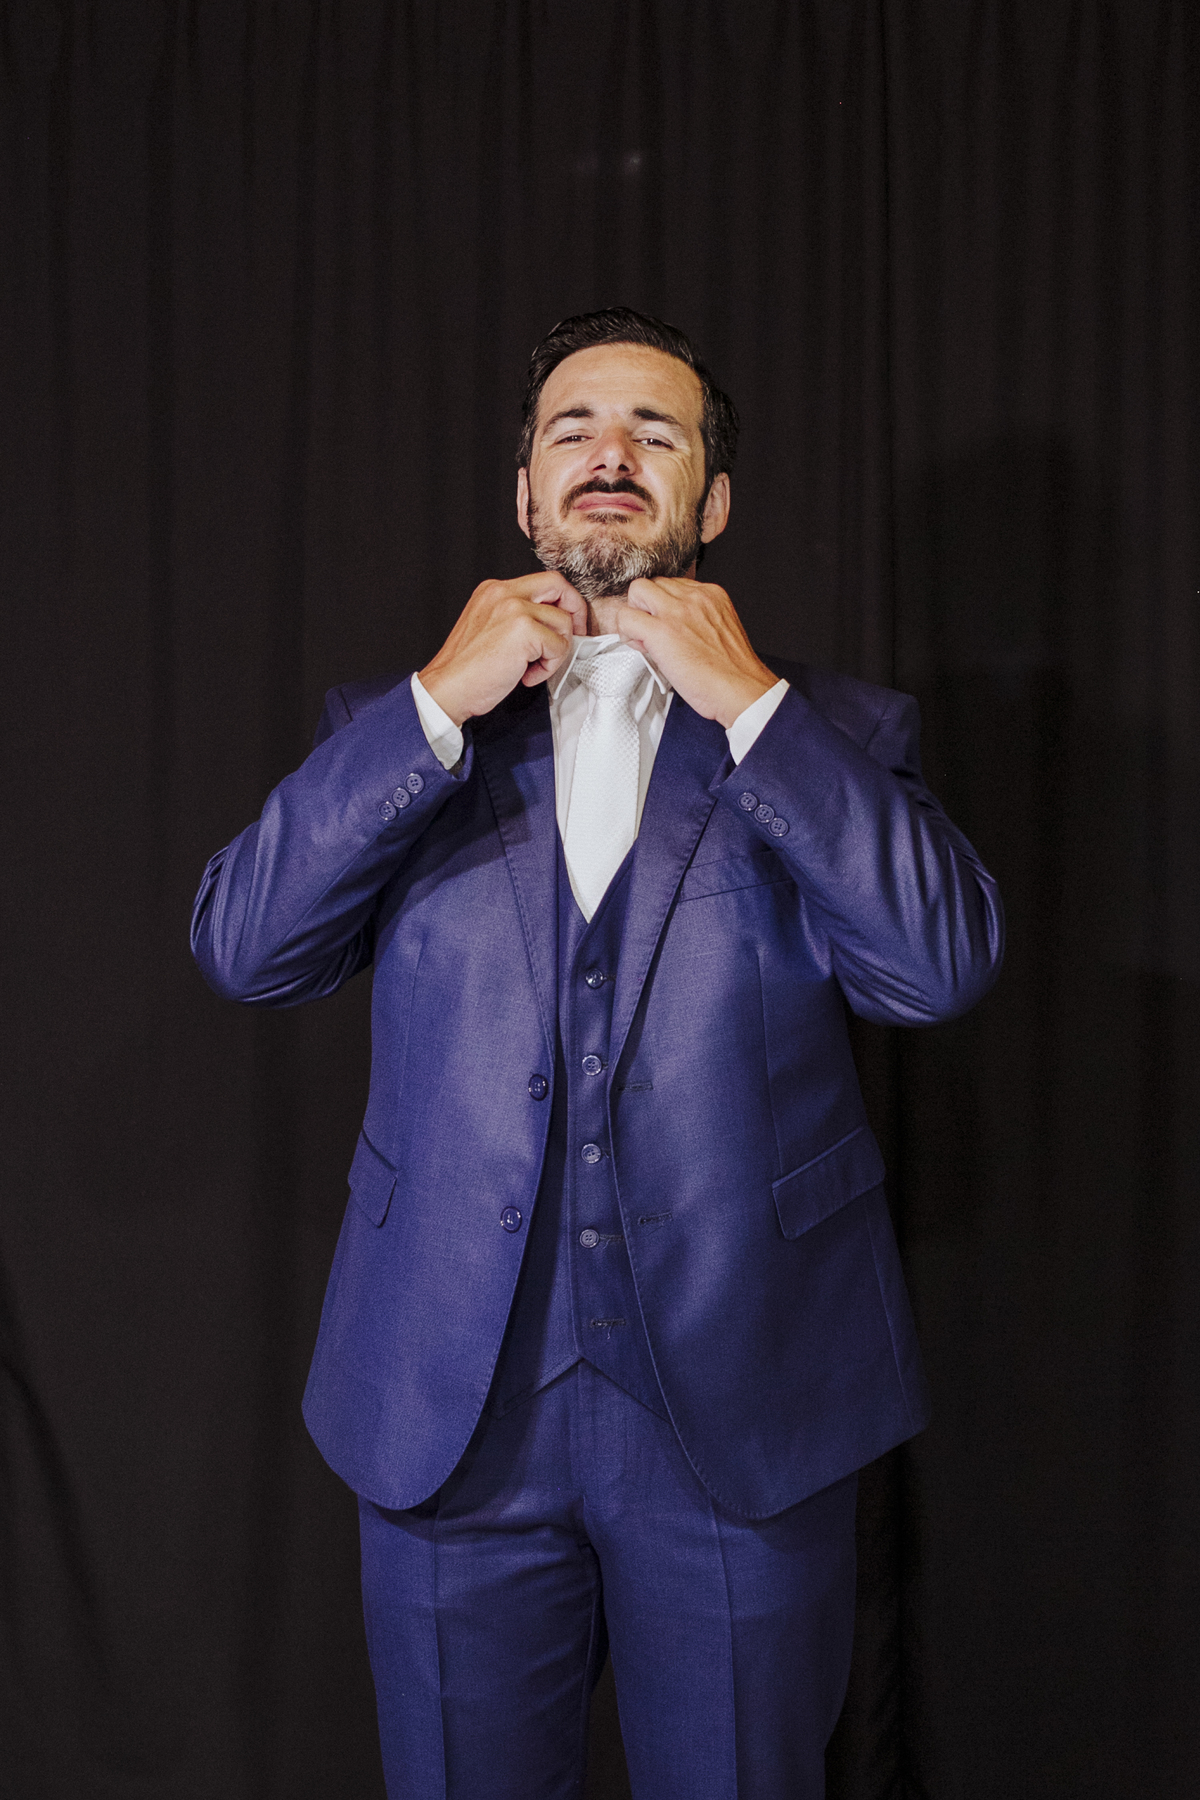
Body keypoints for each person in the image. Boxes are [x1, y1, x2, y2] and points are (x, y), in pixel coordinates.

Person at [192, 308, 1003, 1800]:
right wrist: (436, 701)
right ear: (525, 494)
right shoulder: (398, 731)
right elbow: (247, 948)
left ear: (713, 500)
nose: (610, 455)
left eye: (655, 433)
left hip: (745, 1407)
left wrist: (752, 705)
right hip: (448, 1408)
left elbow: (937, 968)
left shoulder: (837, 729)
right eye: (573, 430)